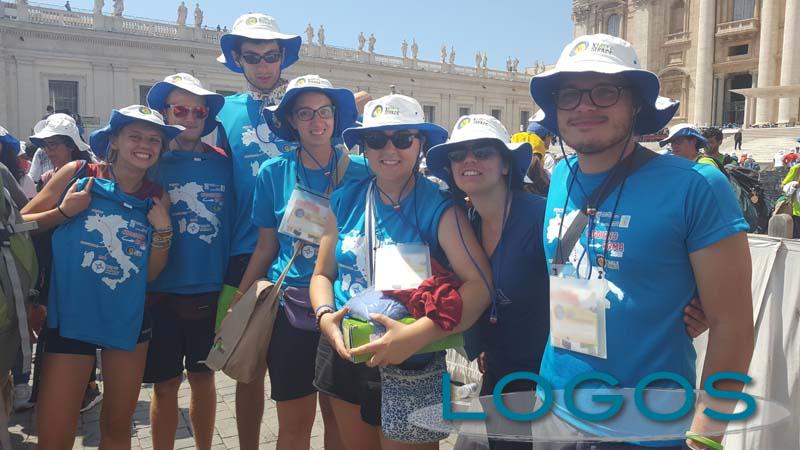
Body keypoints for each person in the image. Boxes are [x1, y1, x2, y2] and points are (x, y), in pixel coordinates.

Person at [529, 33, 753, 448]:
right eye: (569, 94)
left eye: (604, 91)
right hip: (554, 413)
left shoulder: (696, 185)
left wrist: (705, 436)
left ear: (635, 102)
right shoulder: (561, 175)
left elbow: (733, 324)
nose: (584, 106)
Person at [309, 94, 492, 449]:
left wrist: (417, 336)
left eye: (403, 138)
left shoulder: (439, 206)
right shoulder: (345, 199)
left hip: (412, 357)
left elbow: (479, 285)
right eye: (377, 139)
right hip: (346, 347)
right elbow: (321, 274)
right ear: (364, 146)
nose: (389, 149)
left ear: (420, 143)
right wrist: (325, 317)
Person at [23, 105, 182, 450]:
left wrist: (164, 230)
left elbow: (150, 274)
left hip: (127, 318)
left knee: (117, 426)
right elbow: (20, 224)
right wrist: (63, 212)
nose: (145, 145)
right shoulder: (78, 173)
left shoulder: (157, 197)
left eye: (154, 139)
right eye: (135, 136)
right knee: (55, 433)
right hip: (71, 316)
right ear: (114, 140)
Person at [230, 74, 368, 450]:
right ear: (291, 120)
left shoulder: (363, 171)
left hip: (345, 305)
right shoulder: (274, 172)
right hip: (289, 309)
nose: (316, 121)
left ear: (336, 116)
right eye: (304, 113)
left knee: (340, 421)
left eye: (324, 111)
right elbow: (265, 247)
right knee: (294, 423)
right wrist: (239, 300)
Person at [426, 115, 548, 450]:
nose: (469, 160)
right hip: (496, 372)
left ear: (506, 165)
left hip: (542, 379)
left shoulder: (541, 217)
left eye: (482, 152)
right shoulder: (465, 223)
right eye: (458, 155)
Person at [214, 12, 303, 450]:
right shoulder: (223, 112)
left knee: (301, 370)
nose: (263, 65)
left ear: (283, 56)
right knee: (247, 366)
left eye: (271, 56)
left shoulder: (303, 107)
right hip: (244, 255)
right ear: (237, 59)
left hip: (299, 257)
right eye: (253, 57)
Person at [141, 73, 231, 450]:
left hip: (208, 289)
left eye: (199, 110)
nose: (190, 117)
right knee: (164, 385)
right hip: (160, 290)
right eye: (180, 109)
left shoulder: (224, 163)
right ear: (165, 112)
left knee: (203, 379)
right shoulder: (151, 162)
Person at [29, 113, 94, 190]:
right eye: (44, 145)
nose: (47, 150)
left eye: (52, 144)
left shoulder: (91, 175)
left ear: (70, 145)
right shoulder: (46, 179)